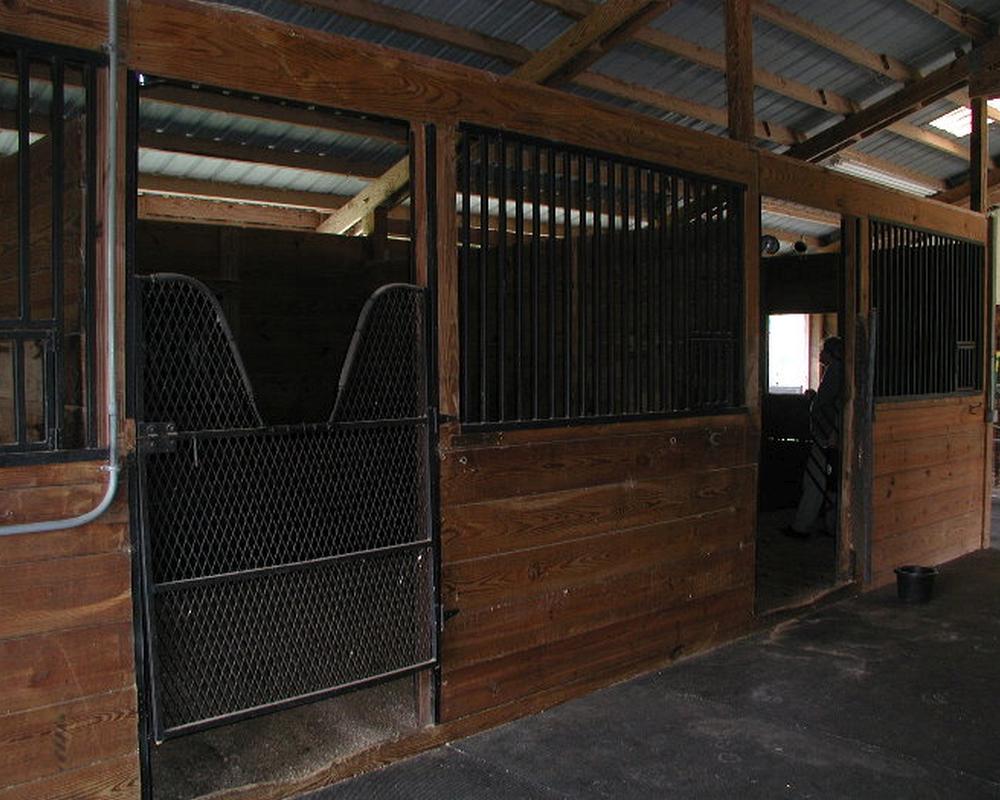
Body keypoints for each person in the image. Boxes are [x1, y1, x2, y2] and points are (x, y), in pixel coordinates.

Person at [784, 335, 844, 538]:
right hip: (832, 434)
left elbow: (827, 403)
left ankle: (801, 526)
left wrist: (813, 399)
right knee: (832, 480)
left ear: (830, 353)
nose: (819, 354)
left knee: (814, 479)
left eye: (823, 350)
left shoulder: (835, 372)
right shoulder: (839, 371)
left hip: (826, 435)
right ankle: (831, 525)